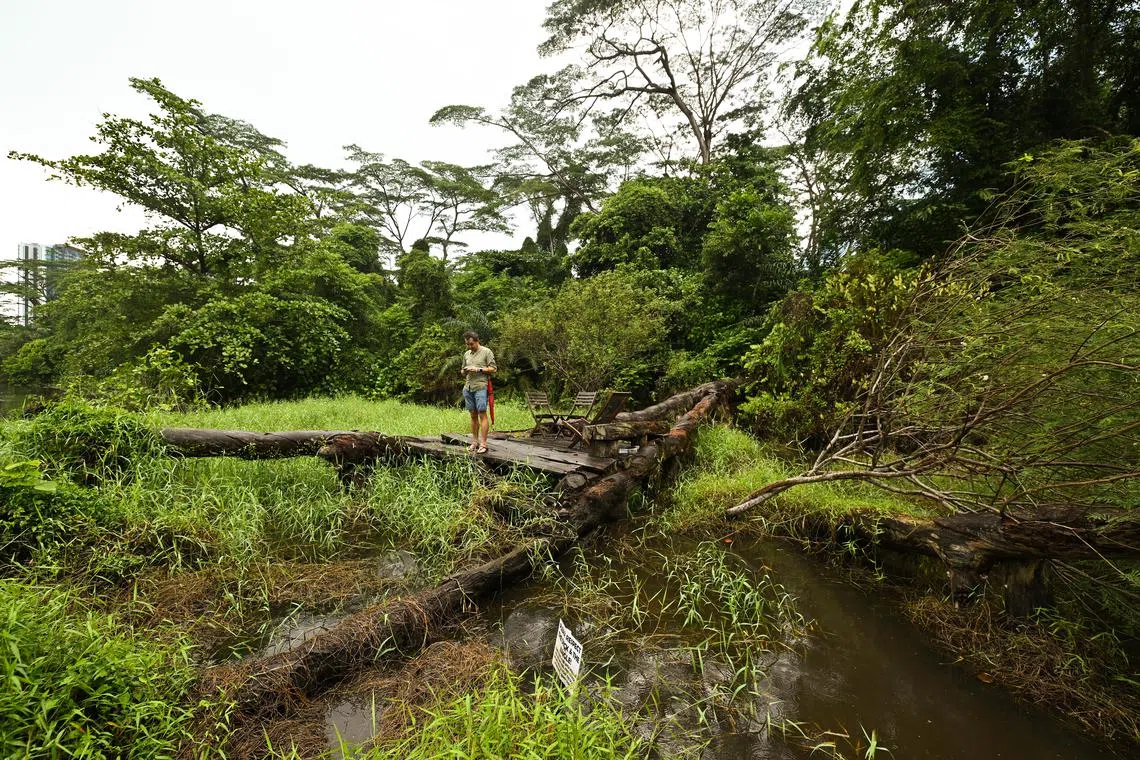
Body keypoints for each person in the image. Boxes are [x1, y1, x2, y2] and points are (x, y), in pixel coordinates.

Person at [460, 330, 496, 453]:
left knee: (482, 414)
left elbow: (493, 368)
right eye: (467, 344)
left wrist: (478, 369)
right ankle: (474, 442)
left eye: (471, 344)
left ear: (477, 341)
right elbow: (462, 371)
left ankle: (483, 444)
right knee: (473, 415)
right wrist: (465, 370)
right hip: (468, 387)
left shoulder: (486, 352)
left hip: (481, 387)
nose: (469, 346)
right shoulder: (466, 354)